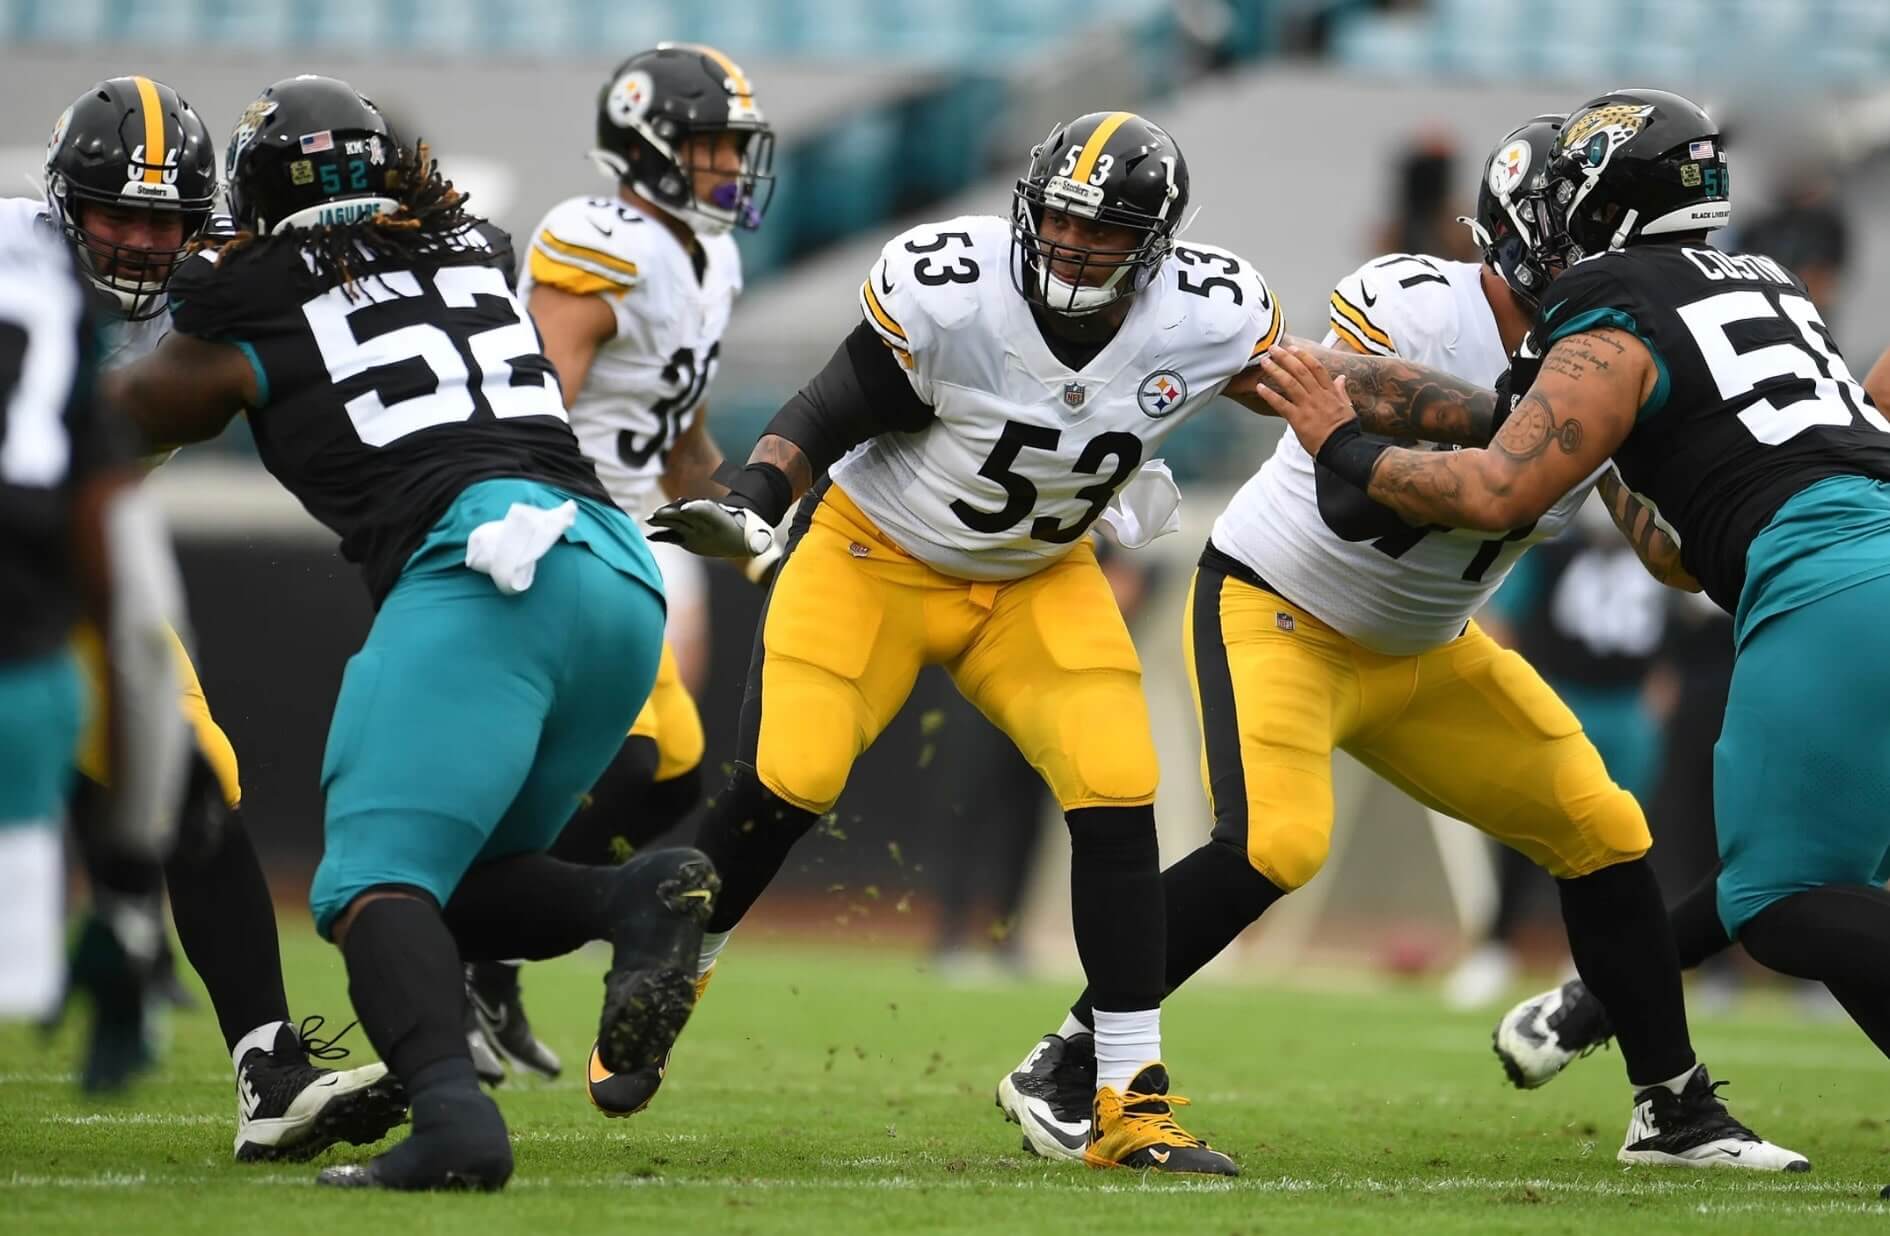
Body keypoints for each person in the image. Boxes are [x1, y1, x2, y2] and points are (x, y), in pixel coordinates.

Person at [996, 112, 1800, 1173]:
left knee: (1603, 829)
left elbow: (1660, 552)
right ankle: (1068, 1062)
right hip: (1284, 607)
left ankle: (1675, 1110)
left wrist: (1721, 508)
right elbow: (1350, 486)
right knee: (1275, 845)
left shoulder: (1616, 357)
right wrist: (1524, 424)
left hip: (1428, 646)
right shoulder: (1423, 301)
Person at [107, 74, 719, 1192]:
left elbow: (142, 410)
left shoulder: (248, 290)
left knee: (368, 886)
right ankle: (631, 895)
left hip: (486, 568)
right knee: (470, 879)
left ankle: (453, 1121)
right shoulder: (472, 244)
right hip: (619, 569)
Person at [649, 110, 1288, 1175]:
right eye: (1062, 221)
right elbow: (829, 404)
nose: (1078, 245)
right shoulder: (953, 285)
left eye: (1108, 230)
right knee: (791, 775)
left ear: (1159, 246)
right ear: (1026, 210)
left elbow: (1306, 394)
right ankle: (678, 961)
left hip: (1038, 576)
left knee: (1118, 781)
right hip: (877, 554)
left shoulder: (1210, 313)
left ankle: (1126, 1100)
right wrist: (758, 495)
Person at [1256, 87, 1890, 1154]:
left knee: (1783, 899)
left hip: (1828, 581)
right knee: (1803, 880)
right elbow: (1673, 557)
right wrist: (1597, 459)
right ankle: (1593, 1011)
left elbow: (1497, 493)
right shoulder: (1768, 281)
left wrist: (1342, 446)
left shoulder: (1610, 303)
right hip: (1855, 555)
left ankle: (1596, 1014)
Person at [2, 74, 403, 1159]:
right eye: (114, 213)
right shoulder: (13, 264)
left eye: (161, 219)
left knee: (192, 779)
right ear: (60, 202)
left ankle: (269, 1074)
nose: (137, 241)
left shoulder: (227, 284)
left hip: (74, 569)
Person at [467, 43, 775, 1094]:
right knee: (644, 765)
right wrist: (569, 524)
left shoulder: (709, 255)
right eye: (711, 146)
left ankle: (491, 940)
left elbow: (674, 425)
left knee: (677, 772)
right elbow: (535, 397)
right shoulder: (600, 240)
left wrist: (736, 509)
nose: (730, 164)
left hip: (632, 538)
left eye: (735, 145)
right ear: (648, 150)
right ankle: (476, 935)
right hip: (567, 534)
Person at [0, 224, 190, 1089]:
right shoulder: (58, 297)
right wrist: (124, 879)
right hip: (30, 656)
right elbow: (138, 622)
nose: (143, 242)